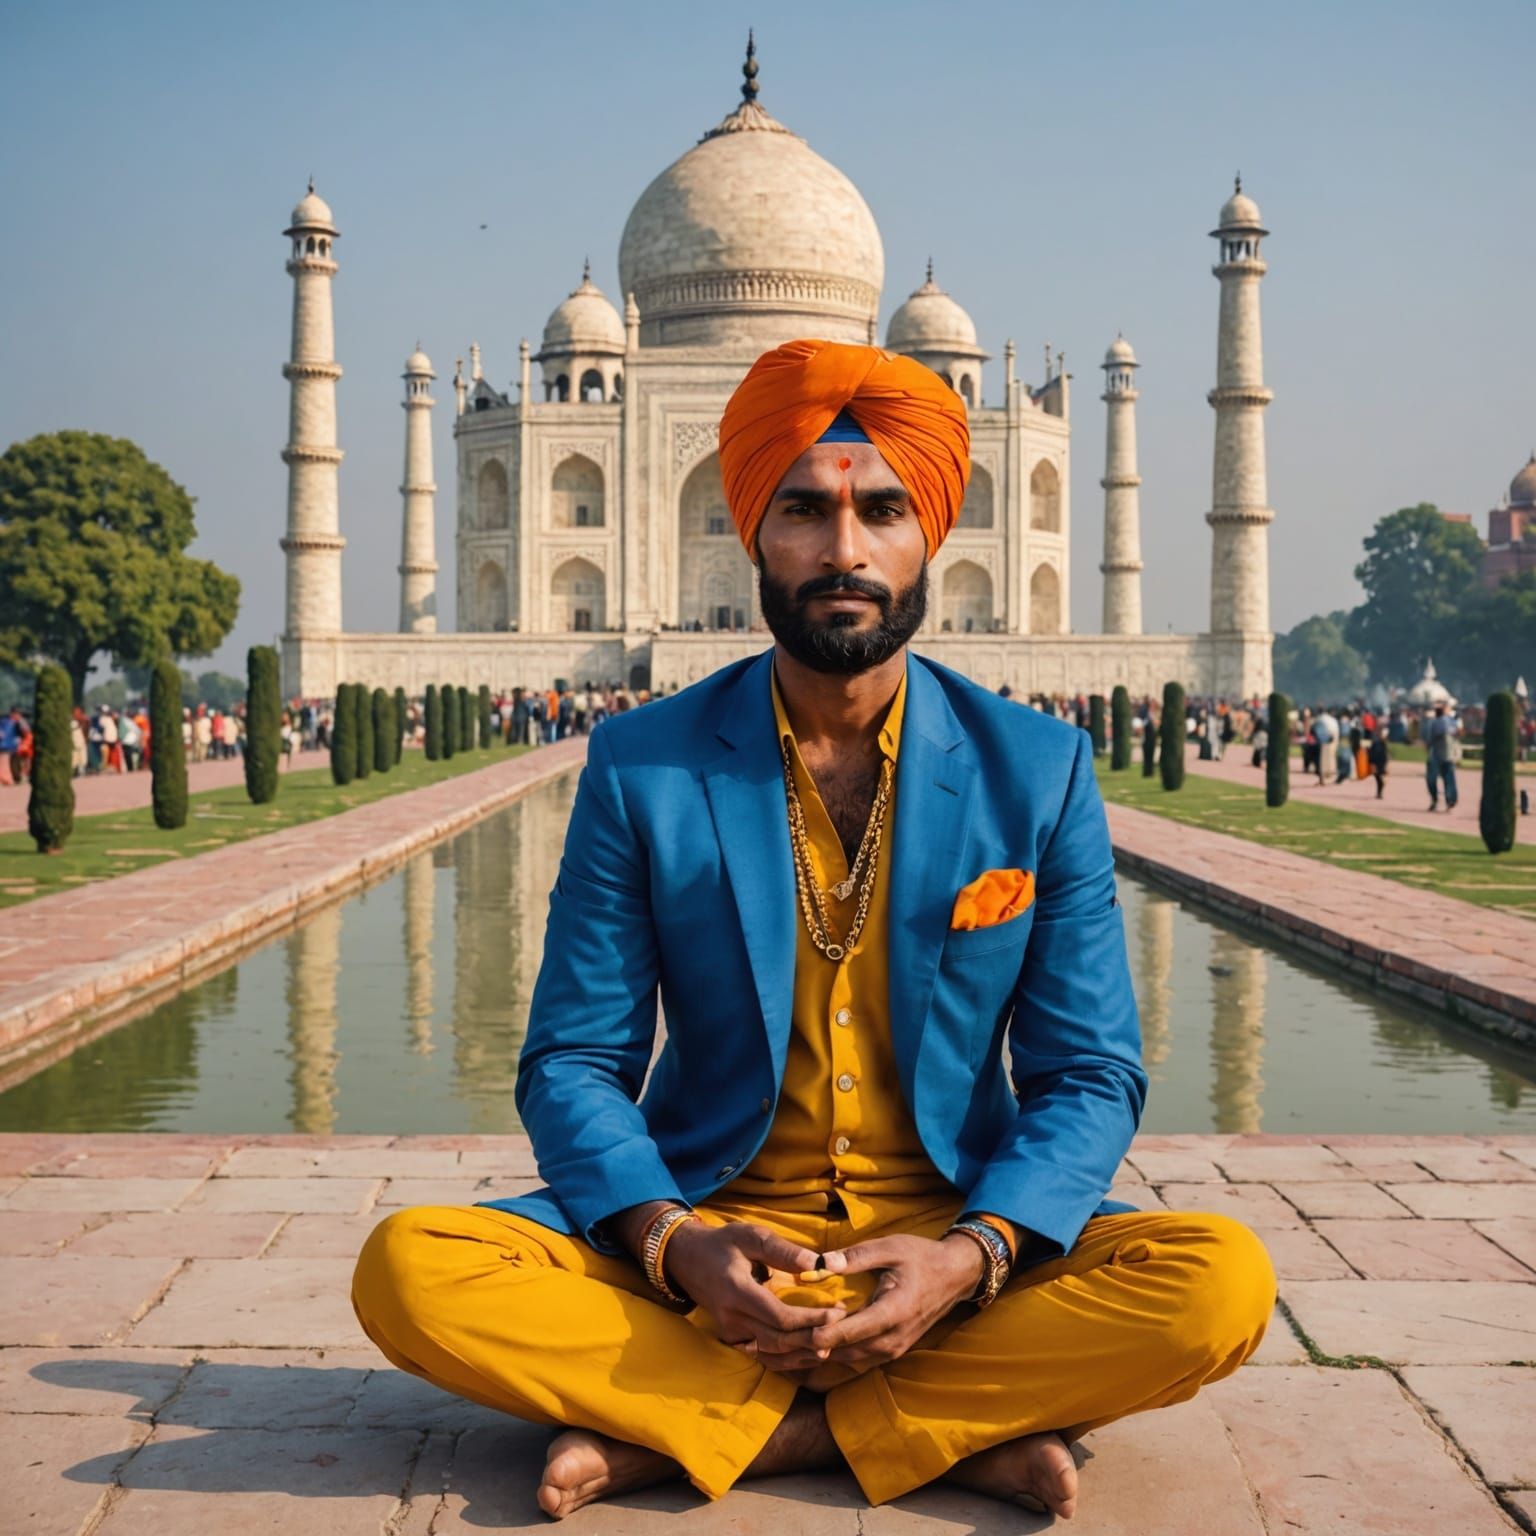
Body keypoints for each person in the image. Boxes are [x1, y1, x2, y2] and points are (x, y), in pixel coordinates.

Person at [351, 338, 1274, 1524]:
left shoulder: (1033, 772)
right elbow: (575, 1062)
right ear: (754, 532)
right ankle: (933, 1429)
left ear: (932, 530)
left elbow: (1089, 1073)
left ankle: (712, 1426)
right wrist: (673, 1244)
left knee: (1218, 1285)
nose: (845, 549)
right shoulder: (648, 767)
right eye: (806, 510)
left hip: (949, 1230)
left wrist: (972, 1256)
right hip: (711, 1235)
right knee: (412, 1269)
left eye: (882, 509)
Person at [1424, 701, 1459, 812]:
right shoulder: (1438, 722)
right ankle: (1442, 800)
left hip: (1443, 754)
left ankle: (1447, 800)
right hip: (1440, 754)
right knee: (1438, 779)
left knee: (1443, 779)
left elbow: (1454, 734)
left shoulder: (1446, 722)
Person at [1367, 727, 1389, 799]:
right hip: (1375, 762)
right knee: (1377, 778)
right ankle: (1379, 793)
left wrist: (1386, 764)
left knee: (1380, 779)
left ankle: (1379, 793)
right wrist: (1371, 761)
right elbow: (1371, 752)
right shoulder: (1376, 742)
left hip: (1381, 763)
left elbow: (1385, 755)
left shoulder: (1384, 743)